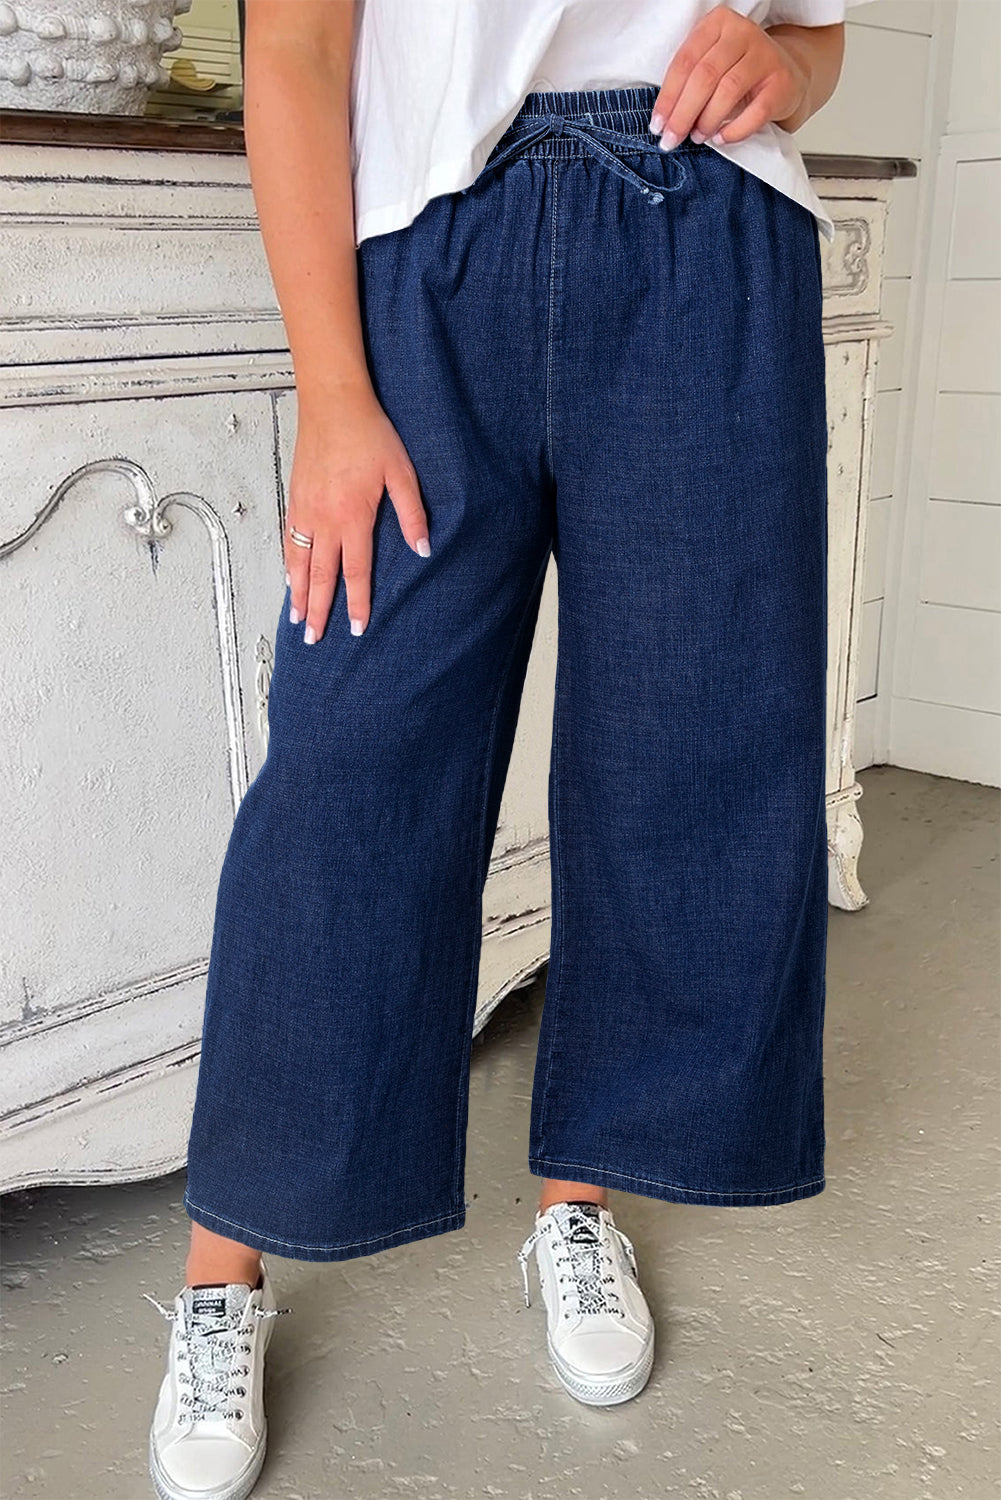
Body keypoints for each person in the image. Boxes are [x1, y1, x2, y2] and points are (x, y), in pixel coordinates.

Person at [143, 1, 864, 1495]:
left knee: (682, 748)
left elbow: (813, 39)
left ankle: (577, 1203)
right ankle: (225, 1270)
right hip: (428, 255)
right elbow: (296, 53)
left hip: (710, 239)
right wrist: (333, 394)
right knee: (348, 771)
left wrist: (784, 68)